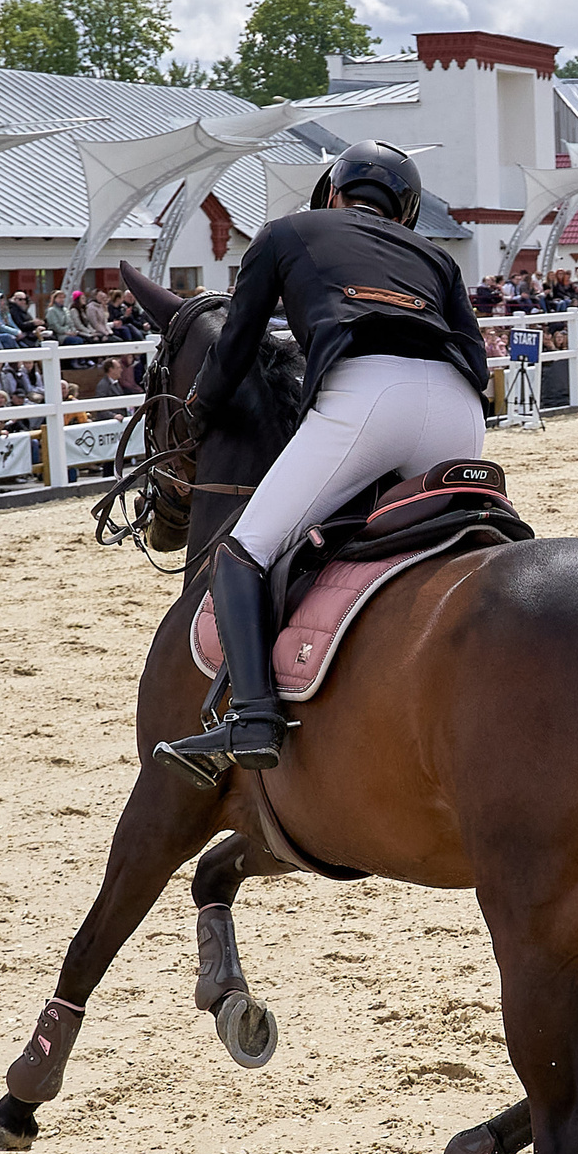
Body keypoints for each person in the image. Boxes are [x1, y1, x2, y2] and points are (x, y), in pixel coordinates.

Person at [155, 140, 489, 777]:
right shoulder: (436, 257)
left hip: (367, 397)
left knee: (242, 549)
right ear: (406, 211)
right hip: (457, 408)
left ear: (332, 194)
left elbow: (236, 347)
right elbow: (473, 353)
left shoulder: (285, 232)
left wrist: (198, 410)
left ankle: (253, 716)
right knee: (449, 539)